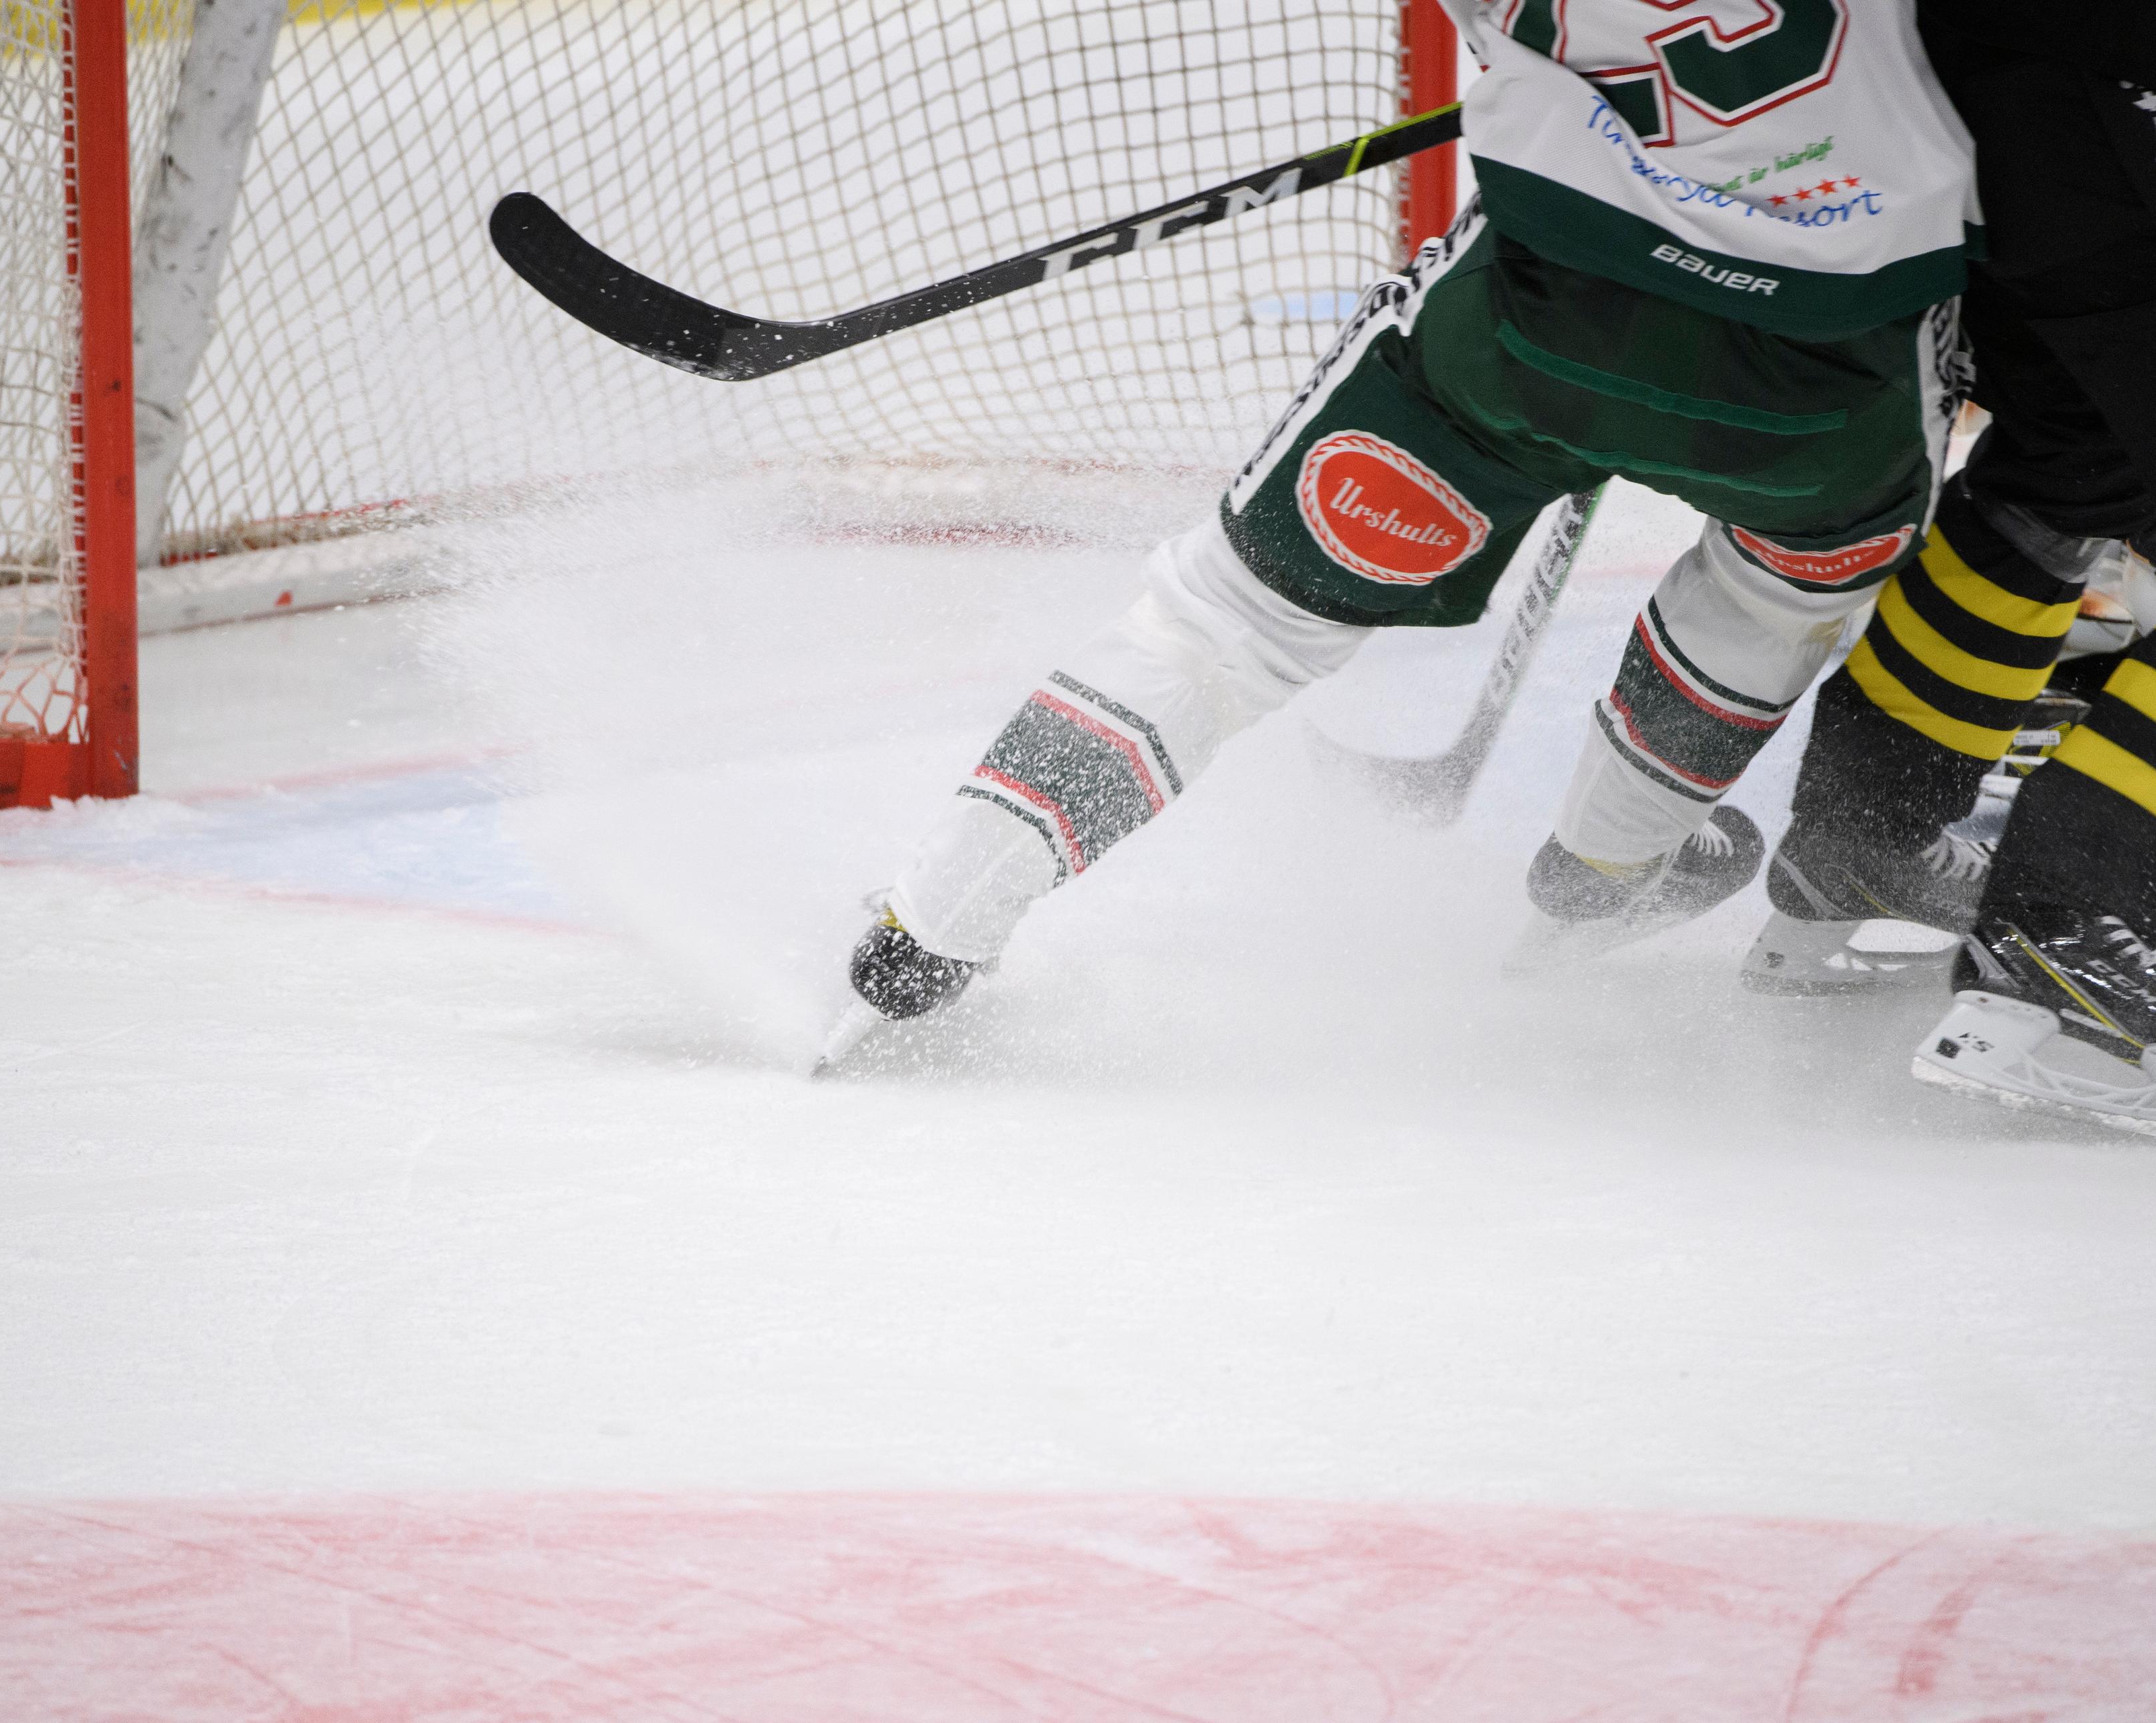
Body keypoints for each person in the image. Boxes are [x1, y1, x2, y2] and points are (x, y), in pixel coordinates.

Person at [818, 0, 1980, 1066]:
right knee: (1777, 588)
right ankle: (1605, 871)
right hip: (1834, 378)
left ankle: (926, 935)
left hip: (1520, 327)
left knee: (1231, 622)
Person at [1746, 1, 2156, 1142]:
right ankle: (2056, 936)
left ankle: (1869, 832)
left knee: (2075, 445)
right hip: (2136, 72)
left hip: (1998, 75)